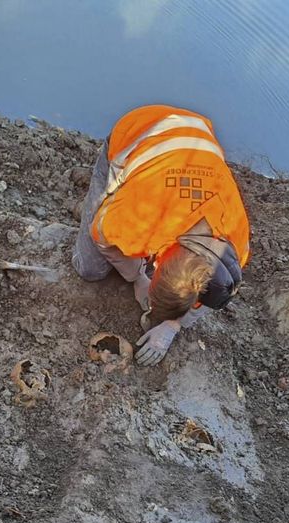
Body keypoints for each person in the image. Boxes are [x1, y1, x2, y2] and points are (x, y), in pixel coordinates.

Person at [72, 105, 250, 365]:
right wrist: (137, 278)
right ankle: (109, 196)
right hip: (139, 132)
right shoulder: (140, 219)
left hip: (196, 144)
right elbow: (102, 236)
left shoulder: (232, 248)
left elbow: (216, 293)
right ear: (161, 260)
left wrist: (174, 324)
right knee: (89, 269)